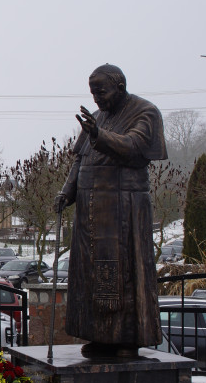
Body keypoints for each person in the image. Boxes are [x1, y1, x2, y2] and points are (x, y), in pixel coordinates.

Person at [55, 64, 166, 358]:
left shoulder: (145, 112)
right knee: (91, 275)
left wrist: (99, 134)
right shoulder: (99, 118)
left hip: (123, 210)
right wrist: (67, 191)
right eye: (93, 94)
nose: (97, 100)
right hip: (91, 211)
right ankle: (100, 335)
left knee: (123, 274)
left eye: (101, 92)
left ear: (119, 86)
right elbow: (80, 160)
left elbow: (133, 147)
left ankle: (127, 337)